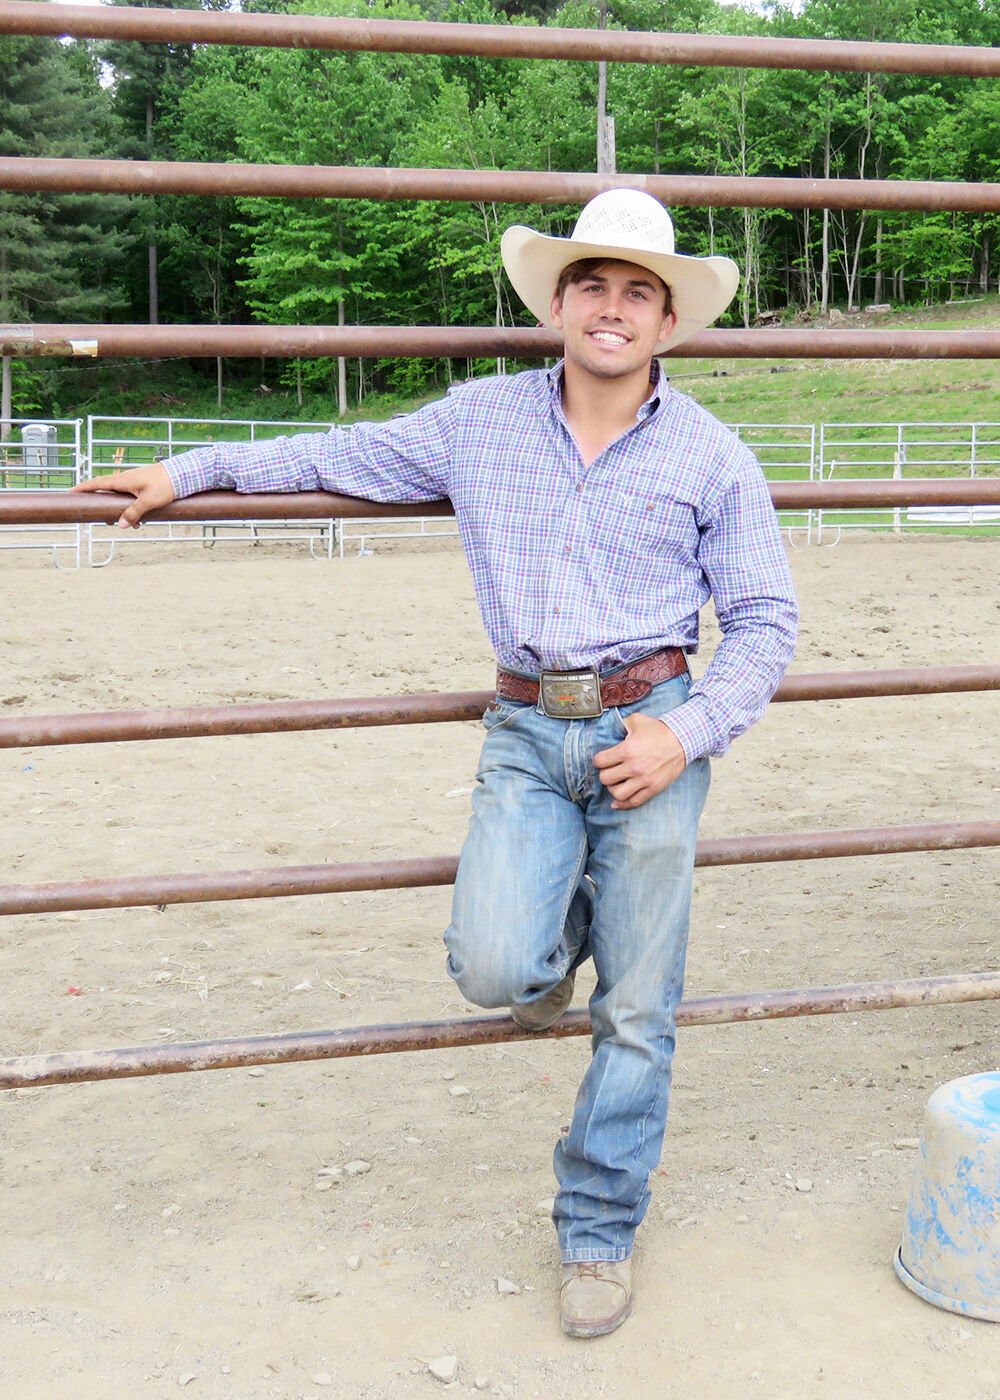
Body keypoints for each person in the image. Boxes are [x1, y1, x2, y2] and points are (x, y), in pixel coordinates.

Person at [74, 190, 798, 1339]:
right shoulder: (479, 421)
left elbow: (766, 619)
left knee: (642, 1006)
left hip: (649, 722)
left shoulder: (713, 454)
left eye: (637, 291)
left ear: (667, 322)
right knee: (493, 967)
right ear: (559, 302)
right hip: (525, 724)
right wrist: (188, 470)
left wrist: (686, 729)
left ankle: (598, 1226)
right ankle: (551, 945)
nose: (611, 307)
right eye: (593, 284)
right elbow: (339, 450)